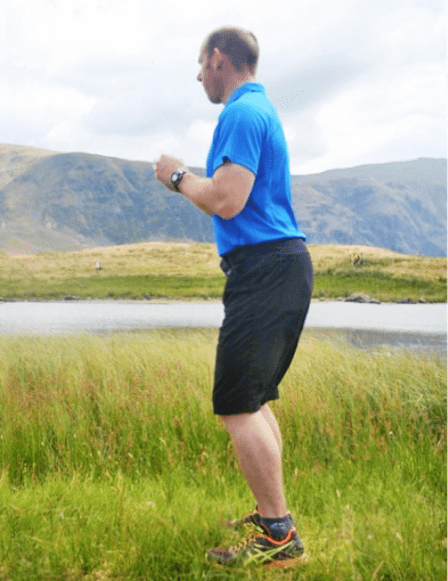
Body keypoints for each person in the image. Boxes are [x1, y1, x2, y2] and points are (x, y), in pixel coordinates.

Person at [154, 25, 313, 569]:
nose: (199, 76)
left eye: (201, 66)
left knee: (236, 403)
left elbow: (226, 198)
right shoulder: (259, 110)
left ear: (219, 58)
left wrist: (177, 176)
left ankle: (278, 534)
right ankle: (272, 519)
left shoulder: (242, 113)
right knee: (254, 399)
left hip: (266, 268)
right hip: (277, 267)